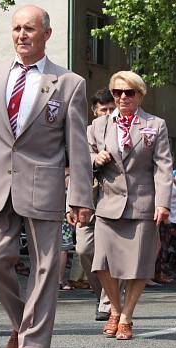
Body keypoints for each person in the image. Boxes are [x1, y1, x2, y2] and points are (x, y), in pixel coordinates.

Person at [0, 5, 94, 348]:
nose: (22, 35)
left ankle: (31, 343)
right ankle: (23, 324)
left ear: (47, 35)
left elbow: (77, 146)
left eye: (30, 29)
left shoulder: (68, 83)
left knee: (46, 265)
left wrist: (81, 196)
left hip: (44, 184)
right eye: (17, 28)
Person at [88, 70, 173, 341]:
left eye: (129, 92)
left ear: (140, 95)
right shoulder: (98, 126)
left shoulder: (155, 125)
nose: (123, 97)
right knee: (100, 262)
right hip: (107, 202)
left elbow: (163, 167)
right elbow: (80, 156)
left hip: (142, 203)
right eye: (117, 93)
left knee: (139, 264)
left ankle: (126, 316)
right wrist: (94, 158)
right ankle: (114, 307)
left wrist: (163, 203)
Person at [68, 87, 116, 321]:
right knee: (84, 249)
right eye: (103, 110)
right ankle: (102, 294)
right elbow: (76, 164)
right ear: (94, 111)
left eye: (111, 109)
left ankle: (109, 302)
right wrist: (71, 204)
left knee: (111, 254)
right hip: (88, 201)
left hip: (116, 202)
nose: (108, 113)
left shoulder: (123, 130)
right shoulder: (85, 132)